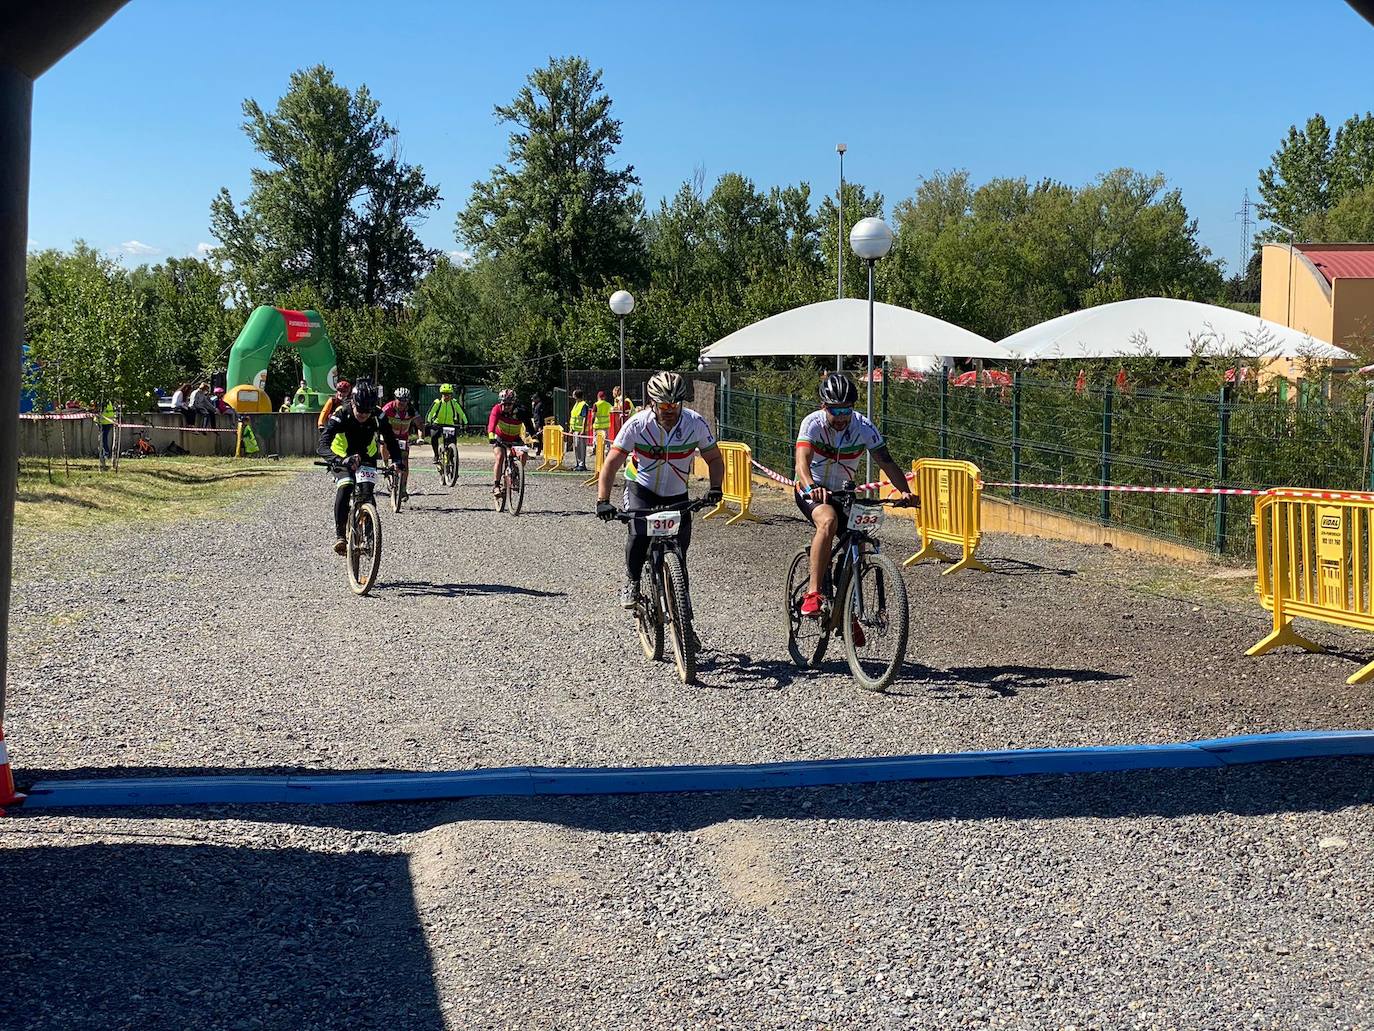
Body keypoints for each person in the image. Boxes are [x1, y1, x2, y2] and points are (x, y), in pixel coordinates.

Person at [596, 371, 724, 613]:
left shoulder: (694, 423)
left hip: (676, 494)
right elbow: (611, 463)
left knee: (680, 557)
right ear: (653, 402)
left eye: (675, 404)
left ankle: (684, 622)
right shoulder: (637, 424)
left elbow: (714, 459)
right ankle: (633, 582)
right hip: (641, 488)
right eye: (664, 404)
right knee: (638, 536)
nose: (670, 409)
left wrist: (716, 488)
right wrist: (603, 500)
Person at [793, 372, 916, 617]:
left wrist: (905, 491)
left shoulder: (863, 426)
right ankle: (814, 593)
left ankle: (846, 609)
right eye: (835, 411)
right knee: (828, 521)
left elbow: (886, 462)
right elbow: (801, 463)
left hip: (843, 491)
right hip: (812, 489)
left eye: (846, 410)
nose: (841, 417)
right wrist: (810, 487)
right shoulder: (812, 423)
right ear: (823, 407)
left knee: (859, 538)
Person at [317, 381, 401, 555]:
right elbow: (322, 445)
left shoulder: (379, 415)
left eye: (367, 411)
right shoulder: (341, 414)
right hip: (341, 456)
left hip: (367, 456)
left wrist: (398, 460)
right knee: (346, 485)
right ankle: (340, 536)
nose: (363, 414)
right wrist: (339, 460)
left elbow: (391, 440)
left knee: (367, 492)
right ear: (353, 402)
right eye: (360, 410)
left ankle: (370, 535)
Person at [487, 389, 537, 497]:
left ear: (513, 403)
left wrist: (534, 438)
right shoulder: (497, 409)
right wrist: (491, 435)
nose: (506, 406)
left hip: (515, 438)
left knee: (523, 455)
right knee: (500, 457)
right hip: (500, 437)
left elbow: (529, 426)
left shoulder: (520, 411)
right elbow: (491, 423)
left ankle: (516, 475)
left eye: (509, 404)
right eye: (504, 403)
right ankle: (496, 485)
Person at [381, 387, 423, 500]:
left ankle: (403, 489)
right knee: (383, 443)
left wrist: (420, 437)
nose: (403, 404)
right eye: (401, 401)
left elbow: (420, 425)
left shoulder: (411, 410)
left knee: (405, 463)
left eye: (405, 401)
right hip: (389, 436)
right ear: (395, 399)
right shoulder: (387, 408)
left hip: (403, 437)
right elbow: (377, 422)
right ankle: (385, 464)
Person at [426, 383, 468, 471]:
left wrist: (466, 422)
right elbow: (430, 412)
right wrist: (429, 421)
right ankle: (436, 455)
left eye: (448, 394)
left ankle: (452, 458)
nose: (446, 396)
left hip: (450, 424)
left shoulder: (454, 403)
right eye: (444, 394)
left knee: (452, 441)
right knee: (434, 436)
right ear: (442, 394)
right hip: (438, 424)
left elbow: (461, 413)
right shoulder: (438, 402)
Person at [568, 389, 590, 471]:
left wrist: (583, 430)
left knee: (581, 448)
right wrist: (571, 429)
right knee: (576, 447)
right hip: (575, 430)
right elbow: (573, 418)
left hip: (580, 430)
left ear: (576, 395)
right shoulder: (576, 404)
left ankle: (582, 464)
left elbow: (585, 418)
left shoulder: (583, 405)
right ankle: (578, 463)